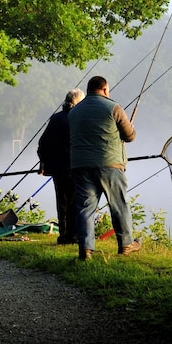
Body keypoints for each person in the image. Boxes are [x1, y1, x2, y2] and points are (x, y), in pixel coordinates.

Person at [68, 75, 141, 260]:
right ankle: (126, 244)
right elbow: (129, 136)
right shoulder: (114, 108)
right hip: (110, 165)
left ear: (89, 90)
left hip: (80, 165)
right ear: (105, 89)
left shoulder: (74, 112)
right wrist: (131, 128)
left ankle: (85, 249)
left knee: (85, 208)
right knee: (118, 205)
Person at [37, 88, 85, 245]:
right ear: (78, 103)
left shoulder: (56, 118)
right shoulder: (77, 118)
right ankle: (72, 236)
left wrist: (43, 162)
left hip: (57, 169)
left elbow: (42, 143)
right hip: (74, 167)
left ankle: (63, 235)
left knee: (62, 202)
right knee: (74, 203)